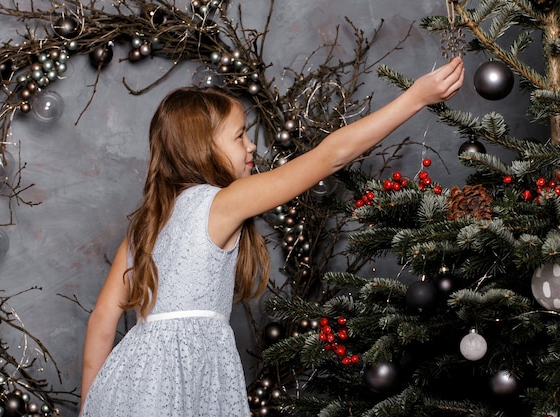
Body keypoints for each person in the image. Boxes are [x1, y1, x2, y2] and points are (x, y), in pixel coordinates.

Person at [79, 56, 464, 416]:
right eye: (239, 136)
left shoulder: (148, 223)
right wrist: (416, 97)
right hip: (182, 385)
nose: (251, 146)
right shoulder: (221, 203)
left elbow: (101, 320)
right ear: (202, 148)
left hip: (125, 386)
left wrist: (89, 406)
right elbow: (330, 156)